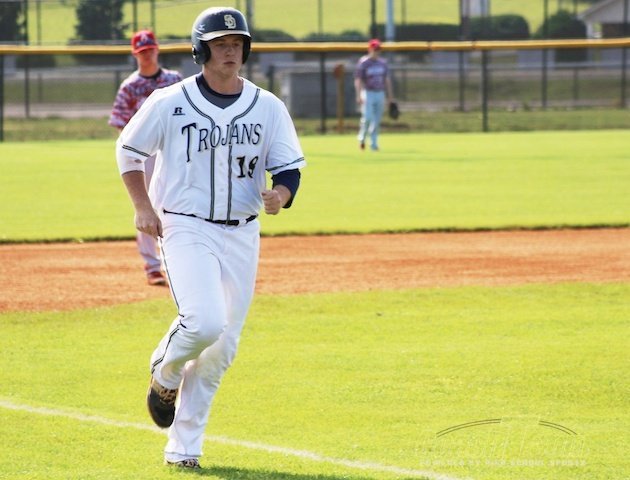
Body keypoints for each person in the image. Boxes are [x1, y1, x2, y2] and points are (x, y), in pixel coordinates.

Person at [115, 6, 305, 470]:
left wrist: (281, 194)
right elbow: (129, 150)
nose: (230, 52)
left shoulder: (267, 106)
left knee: (221, 350)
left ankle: (183, 451)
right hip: (185, 225)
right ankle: (165, 372)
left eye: (237, 44)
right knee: (203, 322)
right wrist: (142, 206)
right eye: (221, 44)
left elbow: (289, 167)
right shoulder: (169, 101)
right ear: (201, 50)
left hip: (242, 233)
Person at [109, 29, 183, 286]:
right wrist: (133, 156)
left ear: (157, 49)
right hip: (145, 156)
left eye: (150, 50)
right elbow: (120, 124)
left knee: (177, 204)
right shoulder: (130, 86)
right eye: (142, 52)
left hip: (174, 152)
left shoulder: (174, 80)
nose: (147, 55)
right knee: (146, 207)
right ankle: (152, 266)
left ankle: (176, 263)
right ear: (135, 54)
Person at [353, 38, 394, 151]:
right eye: (375, 49)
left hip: (380, 92)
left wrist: (390, 97)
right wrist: (358, 95)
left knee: (377, 120)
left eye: (378, 49)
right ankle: (362, 138)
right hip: (368, 92)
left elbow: (387, 80)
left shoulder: (383, 63)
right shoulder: (364, 62)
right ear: (369, 49)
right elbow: (358, 79)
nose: (377, 51)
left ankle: (374, 144)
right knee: (367, 117)